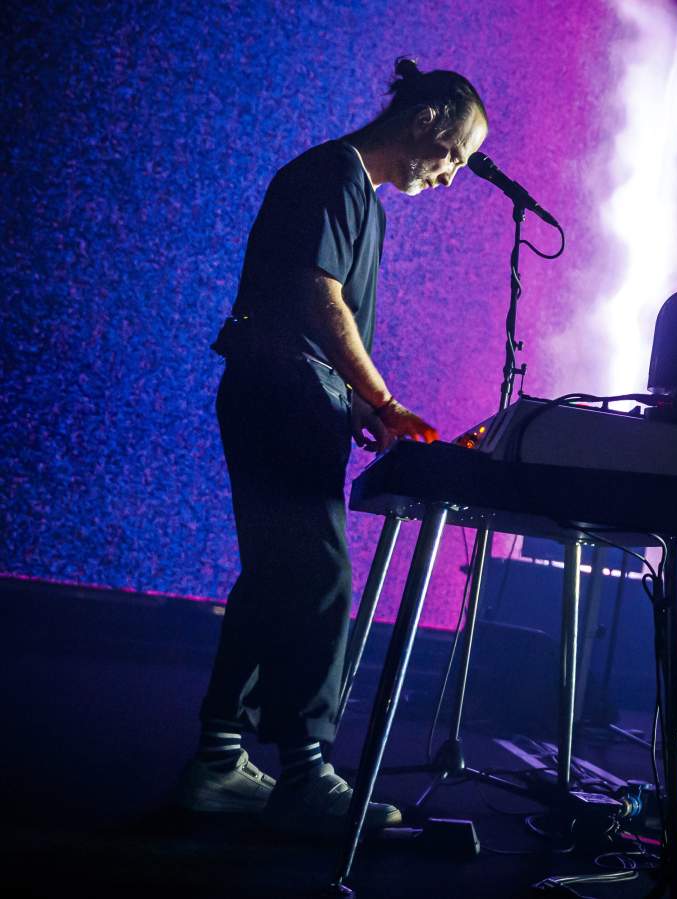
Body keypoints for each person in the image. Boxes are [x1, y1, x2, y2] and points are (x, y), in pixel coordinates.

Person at [176, 58, 488, 832]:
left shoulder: (363, 201)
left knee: (277, 573)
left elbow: (315, 311)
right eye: (454, 154)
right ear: (424, 122)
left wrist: (356, 403)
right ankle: (307, 771)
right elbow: (319, 295)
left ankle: (218, 759)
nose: (452, 177)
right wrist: (381, 398)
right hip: (278, 390)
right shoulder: (332, 175)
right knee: (320, 575)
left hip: (289, 390)